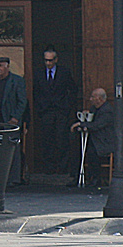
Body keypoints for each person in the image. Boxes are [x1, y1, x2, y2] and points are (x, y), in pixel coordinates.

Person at [32, 45, 78, 175]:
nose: (48, 63)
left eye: (51, 60)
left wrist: (67, 105)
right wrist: (40, 106)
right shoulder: (39, 73)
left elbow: (73, 89)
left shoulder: (64, 72)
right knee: (47, 140)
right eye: (46, 60)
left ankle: (62, 167)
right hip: (46, 111)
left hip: (61, 111)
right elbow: (36, 91)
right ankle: (49, 167)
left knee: (61, 140)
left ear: (56, 60)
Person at [0, 57, 28, 185]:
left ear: (7, 66)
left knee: (12, 150)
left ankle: (14, 179)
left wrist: (16, 117)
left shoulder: (17, 81)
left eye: (0, 65)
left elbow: (22, 101)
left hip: (10, 121)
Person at [72, 87, 119, 187]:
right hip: (95, 138)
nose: (91, 99)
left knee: (91, 151)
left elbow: (97, 125)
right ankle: (78, 176)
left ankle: (96, 178)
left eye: (93, 97)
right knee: (77, 147)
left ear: (100, 99)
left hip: (104, 142)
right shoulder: (94, 109)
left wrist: (81, 124)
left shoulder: (107, 111)